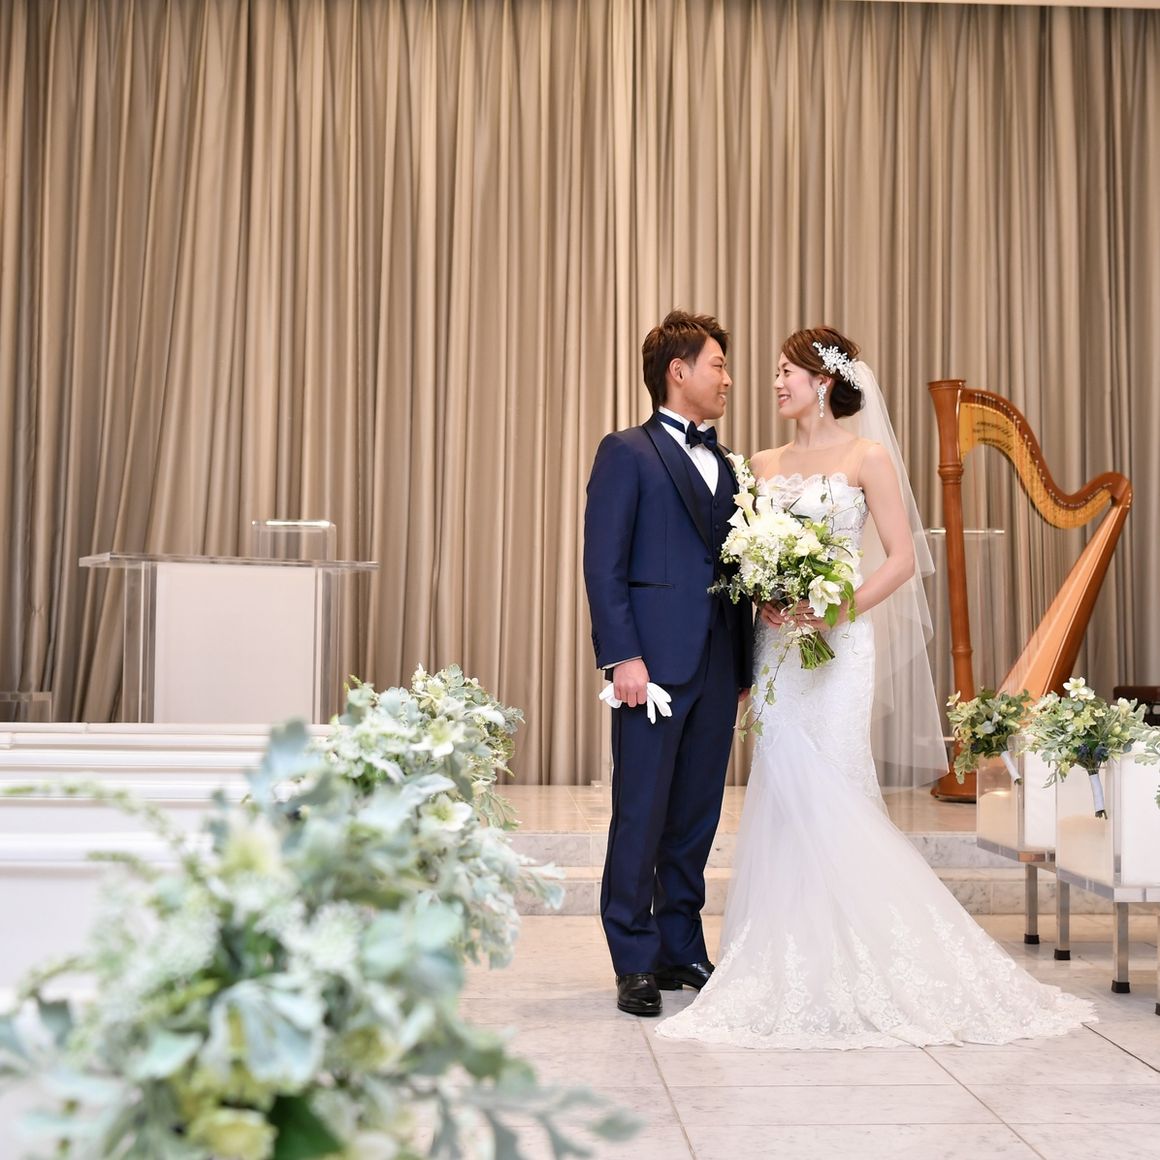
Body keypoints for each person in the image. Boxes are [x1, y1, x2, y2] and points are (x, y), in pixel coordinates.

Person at [656, 326, 1094, 1048]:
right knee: (782, 792)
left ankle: (866, 959)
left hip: (838, 645)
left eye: (787, 371)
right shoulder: (759, 464)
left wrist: (838, 609)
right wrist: (766, 595)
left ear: (823, 382)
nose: (775, 383)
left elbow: (901, 558)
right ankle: (789, 957)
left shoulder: (868, 458)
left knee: (836, 785)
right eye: (774, 371)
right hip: (778, 650)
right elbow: (742, 556)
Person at [583, 310, 754, 1017]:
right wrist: (623, 656)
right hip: (651, 667)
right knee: (642, 811)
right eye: (718, 365)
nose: (728, 379)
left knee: (696, 814)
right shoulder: (625, 452)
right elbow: (603, 564)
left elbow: (736, 566)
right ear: (678, 372)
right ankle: (633, 955)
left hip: (718, 663)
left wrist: (743, 664)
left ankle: (680, 944)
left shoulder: (731, 464)